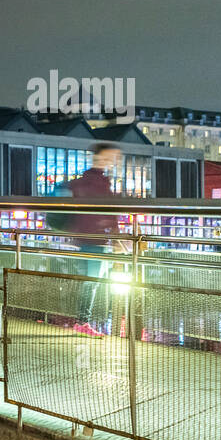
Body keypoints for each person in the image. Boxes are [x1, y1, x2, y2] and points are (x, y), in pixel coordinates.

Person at [53, 143, 124, 336]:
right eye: (111, 156)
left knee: (89, 281)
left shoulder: (85, 181)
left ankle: (82, 321)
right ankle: (82, 322)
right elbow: (110, 213)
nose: (114, 160)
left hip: (85, 238)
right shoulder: (99, 183)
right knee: (90, 282)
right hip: (95, 240)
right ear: (100, 158)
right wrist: (115, 237)